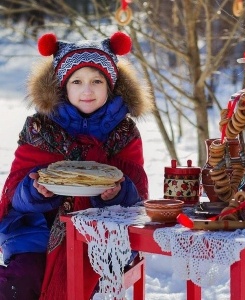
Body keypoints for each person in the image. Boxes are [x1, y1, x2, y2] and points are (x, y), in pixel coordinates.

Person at [0, 31, 153, 300]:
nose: (87, 90)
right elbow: (15, 196)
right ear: (62, 86)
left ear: (111, 86)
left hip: (103, 238)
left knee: (91, 280)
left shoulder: (124, 134)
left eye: (97, 81)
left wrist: (116, 194)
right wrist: (36, 192)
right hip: (37, 235)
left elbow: (137, 199)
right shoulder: (39, 129)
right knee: (21, 284)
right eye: (77, 81)